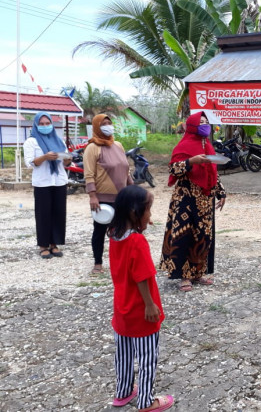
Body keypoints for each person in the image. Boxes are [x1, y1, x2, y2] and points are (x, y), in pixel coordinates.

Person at [108, 185, 174, 411]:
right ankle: (146, 401)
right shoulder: (137, 241)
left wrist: (140, 225)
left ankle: (123, 392)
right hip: (141, 311)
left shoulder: (115, 235)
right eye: (149, 211)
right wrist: (150, 304)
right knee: (147, 359)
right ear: (134, 213)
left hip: (122, 309)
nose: (151, 216)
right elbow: (142, 277)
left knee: (124, 355)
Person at [160, 112, 226, 292]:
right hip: (186, 199)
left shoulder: (208, 145)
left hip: (205, 199)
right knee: (185, 235)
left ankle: (198, 272)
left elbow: (212, 172)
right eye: (201, 122)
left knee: (203, 236)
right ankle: (184, 277)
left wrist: (221, 193)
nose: (205, 125)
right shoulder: (184, 145)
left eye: (207, 122)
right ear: (192, 126)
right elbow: (173, 169)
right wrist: (191, 161)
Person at [84, 114, 133, 275]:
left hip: (122, 196)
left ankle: (120, 262)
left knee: (122, 230)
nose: (107, 126)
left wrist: (133, 189)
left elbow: (126, 170)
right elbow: (89, 173)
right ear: (97, 127)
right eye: (103, 123)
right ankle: (98, 263)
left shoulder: (118, 145)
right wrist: (92, 195)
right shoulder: (92, 148)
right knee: (99, 230)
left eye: (109, 123)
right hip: (103, 199)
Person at [23, 112, 71, 259]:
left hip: (59, 181)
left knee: (58, 213)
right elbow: (30, 163)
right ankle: (43, 245)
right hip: (42, 183)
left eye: (47, 123)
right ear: (36, 125)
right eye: (41, 124)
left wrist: (67, 159)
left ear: (51, 124)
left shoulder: (59, 141)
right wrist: (45, 157)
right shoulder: (31, 141)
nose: (45, 126)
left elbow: (66, 162)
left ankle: (54, 244)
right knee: (43, 214)